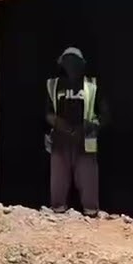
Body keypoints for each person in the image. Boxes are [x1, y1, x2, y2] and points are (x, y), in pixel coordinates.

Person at [45, 47, 108, 216]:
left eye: (74, 61)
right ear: (62, 64)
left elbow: (105, 114)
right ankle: (57, 217)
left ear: (82, 65)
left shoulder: (92, 85)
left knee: (88, 183)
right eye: (67, 61)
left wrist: (92, 125)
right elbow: (48, 113)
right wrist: (60, 125)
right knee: (58, 183)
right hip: (60, 141)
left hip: (85, 141)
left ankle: (91, 216)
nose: (70, 65)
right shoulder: (54, 84)